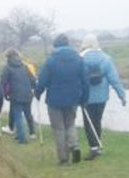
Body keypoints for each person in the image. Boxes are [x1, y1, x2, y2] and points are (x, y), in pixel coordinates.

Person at [35, 34, 89, 165]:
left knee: (59, 128)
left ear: (56, 45)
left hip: (55, 100)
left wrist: (38, 93)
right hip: (73, 98)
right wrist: (84, 98)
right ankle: (74, 146)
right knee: (70, 124)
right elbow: (85, 81)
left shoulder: (51, 61)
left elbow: (43, 80)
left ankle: (64, 159)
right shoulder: (78, 60)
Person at [80, 34, 127, 160]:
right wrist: (121, 95)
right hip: (102, 96)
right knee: (97, 120)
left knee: (88, 122)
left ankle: (93, 148)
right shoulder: (106, 59)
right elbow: (114, 79)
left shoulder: (80, 59)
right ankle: (97, 146)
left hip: (86, 96)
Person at [1, 49, 37, 143]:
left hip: (16, 94)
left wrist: (4, 94)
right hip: (28, 94)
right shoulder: (24, 66)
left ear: (8, 57)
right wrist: (34, 89)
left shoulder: (7, 67)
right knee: (28, 113)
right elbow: (33, 79)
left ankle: (22, 138)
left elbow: (3, 82)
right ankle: (32, 133)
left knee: (18, 115)